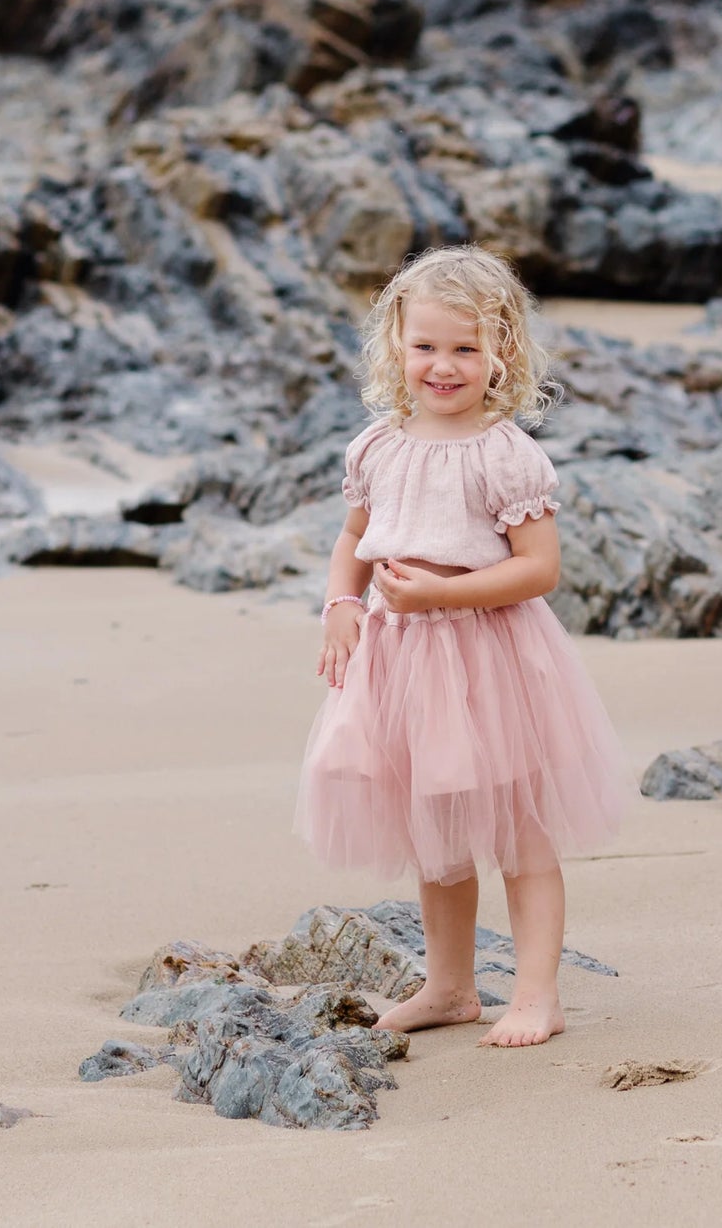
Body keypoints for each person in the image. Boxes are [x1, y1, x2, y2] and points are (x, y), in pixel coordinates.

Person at [294, 245, 628, 1048]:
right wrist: (343, 602)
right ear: (396, 347)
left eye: (466, 349)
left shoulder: (505, 454)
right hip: (403, 659)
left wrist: (441, 593)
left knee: (518, 828)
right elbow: (354, 537)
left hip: (490, 659)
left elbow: (539, 570)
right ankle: (449, 986)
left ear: (502, 353)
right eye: (425, 347)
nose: (443, 366)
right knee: (434, 826)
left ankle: (537, 993)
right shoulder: (378, 445)